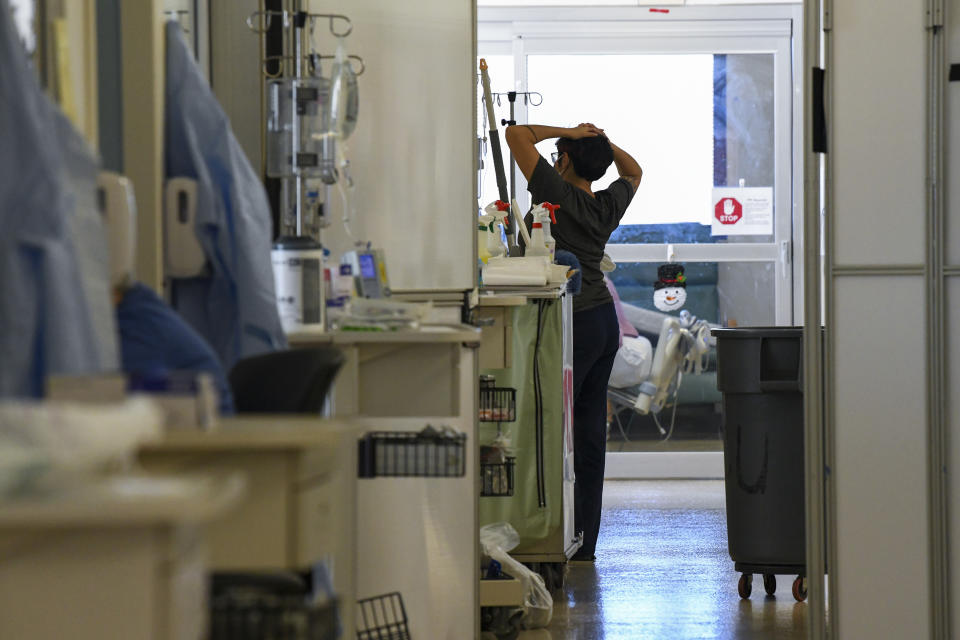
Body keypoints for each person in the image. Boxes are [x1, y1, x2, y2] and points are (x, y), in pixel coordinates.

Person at [505, 122, 642, 561]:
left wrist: (572, 130)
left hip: (575, 319)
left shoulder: (557, 195)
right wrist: (601, 143)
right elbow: (635, 172)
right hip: (603, 321)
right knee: (588, 435)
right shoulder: (605, 204)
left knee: (554, 426)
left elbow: (516, 135)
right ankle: (586, 542)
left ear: (563, 160)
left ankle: (549, 531)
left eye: (558, 154)